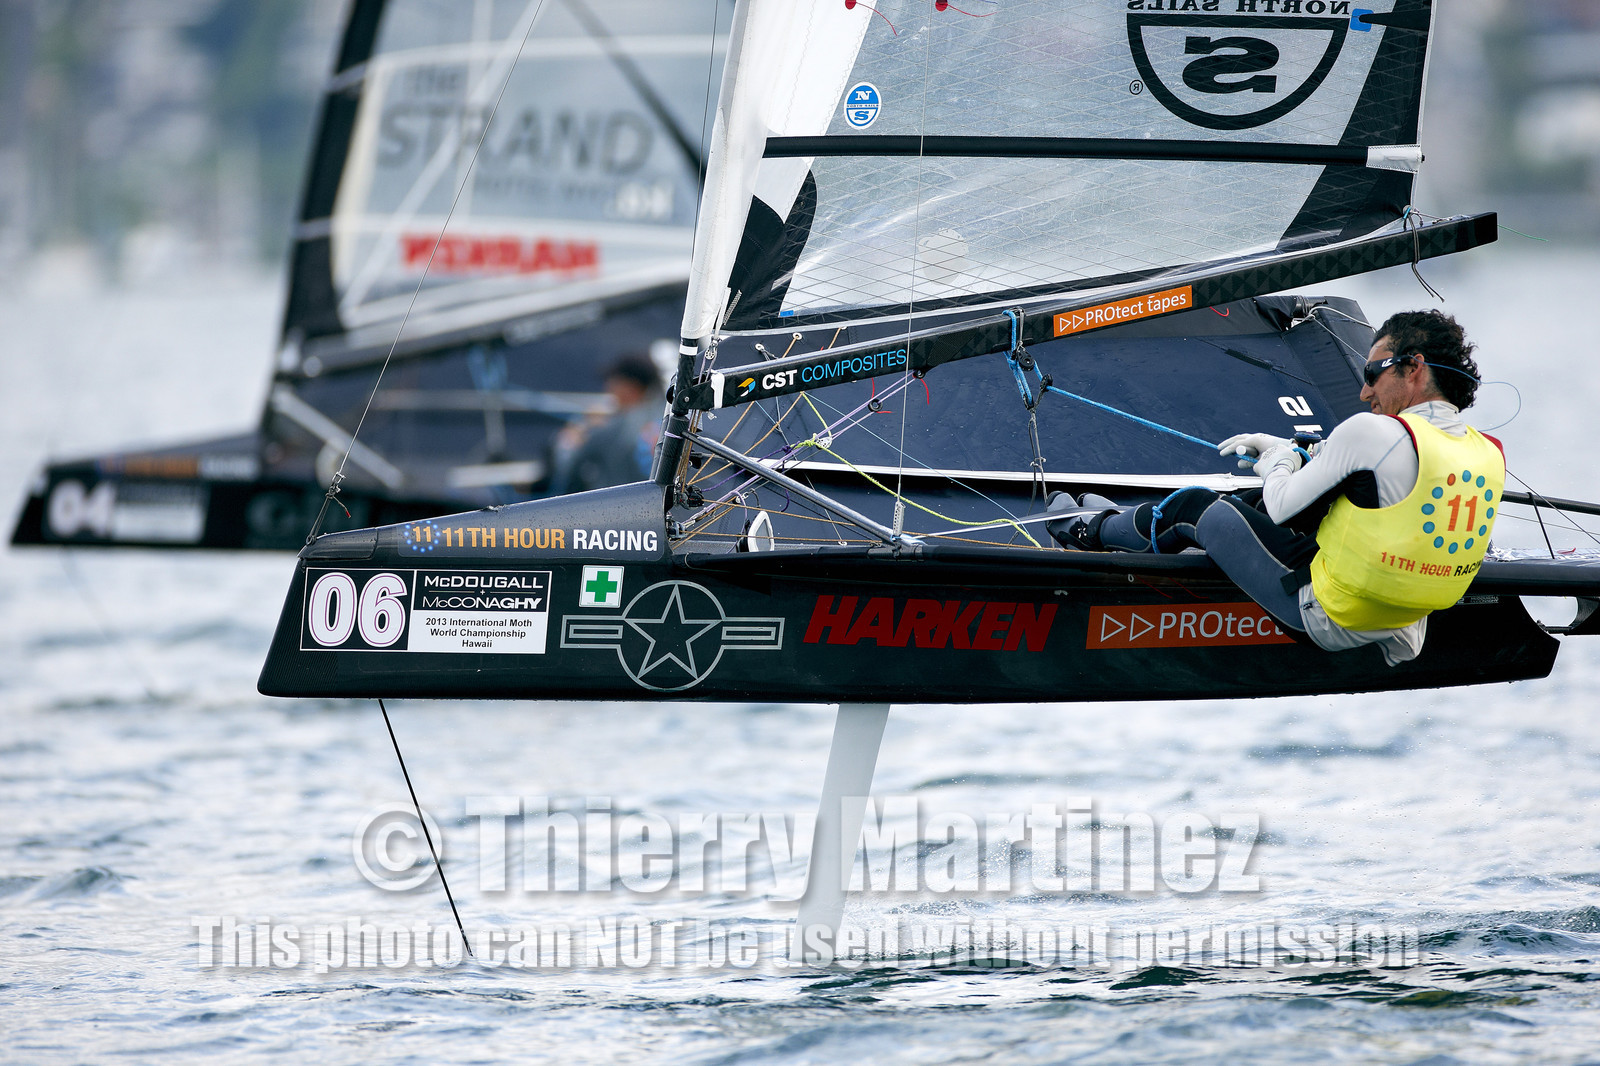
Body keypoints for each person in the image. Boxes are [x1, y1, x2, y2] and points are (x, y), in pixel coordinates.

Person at [1047, 310, 1504, 666]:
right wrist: (1300, 453)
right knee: (1261, 505)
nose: (1365, 393)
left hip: (1330, 616)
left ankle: (1090, 530)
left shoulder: (1371, 432)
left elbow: (1282, 506)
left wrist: (1279, 461)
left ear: (1413, 368)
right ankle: (1134, 527)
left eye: (1371, 374)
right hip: (1404, 623)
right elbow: (1383, 485)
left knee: (1197, 509)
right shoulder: (1487, 452)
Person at [550, 354, 663, 493]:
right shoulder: (671, 418)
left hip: (626, 509)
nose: (608, 388)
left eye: (613, 383)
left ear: (629, 388)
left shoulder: (612, 429)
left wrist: (572, 437)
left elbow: (566, 475)